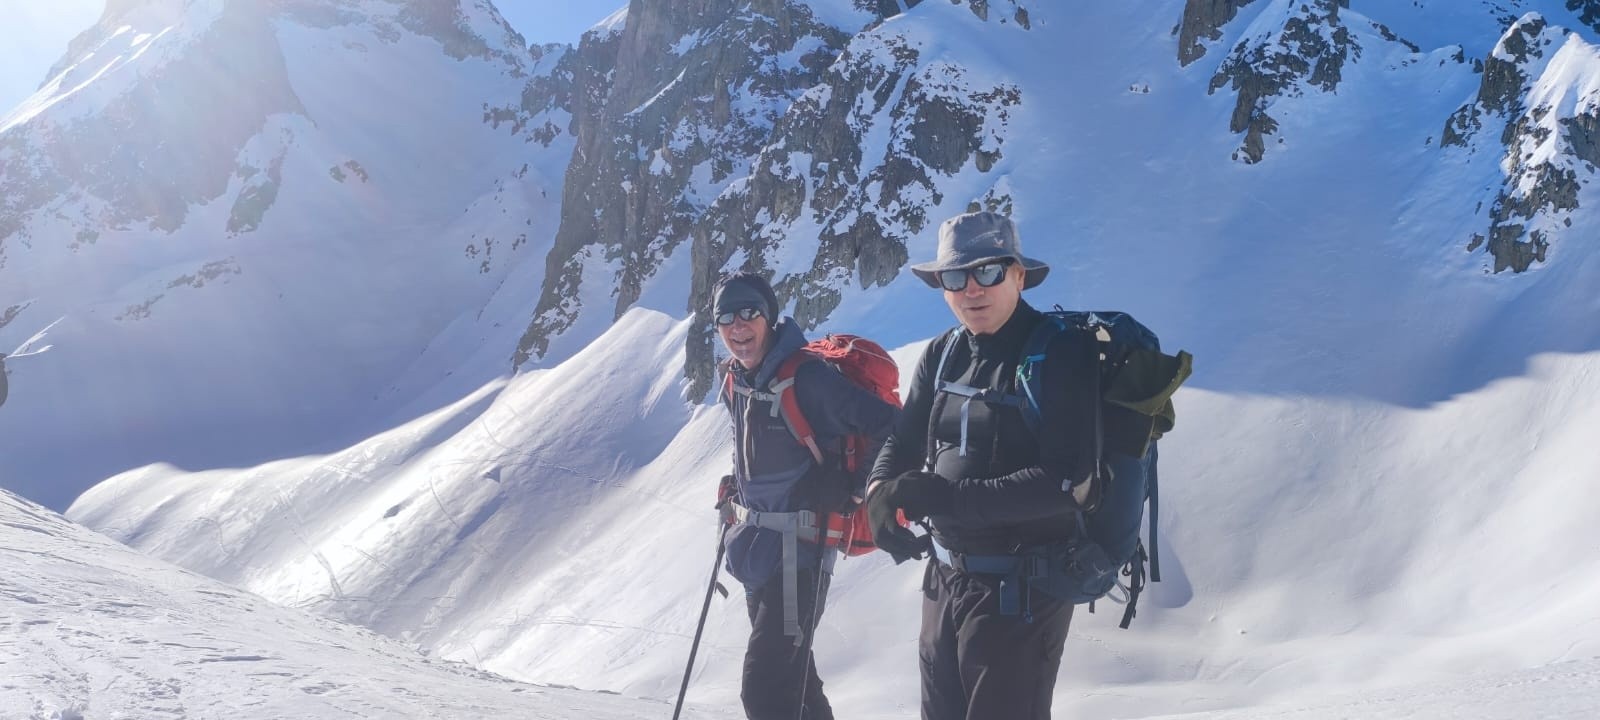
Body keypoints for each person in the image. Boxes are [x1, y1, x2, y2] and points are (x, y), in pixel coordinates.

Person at [866, 211, 1101, 720]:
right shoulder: (944, 352)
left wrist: (946, 500)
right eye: (955, 276)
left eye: (988, 271)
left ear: (1018, 274)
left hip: (1022, 591)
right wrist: (880, 491)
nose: (972, 288)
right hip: (946, 580)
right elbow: (904, 438)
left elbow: (1066, 482)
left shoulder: (1058, 352)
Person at [713, 271, 899, 720]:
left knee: (765, 692)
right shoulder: (738, 379)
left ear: (769, 316)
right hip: (759, 551)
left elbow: (893, 427)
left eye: (748, 312)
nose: (738, 326)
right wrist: (736, 487)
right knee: (798, 689)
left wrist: (853, 489)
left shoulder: (808, 377)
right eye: (725, 317)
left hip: (802, 557)